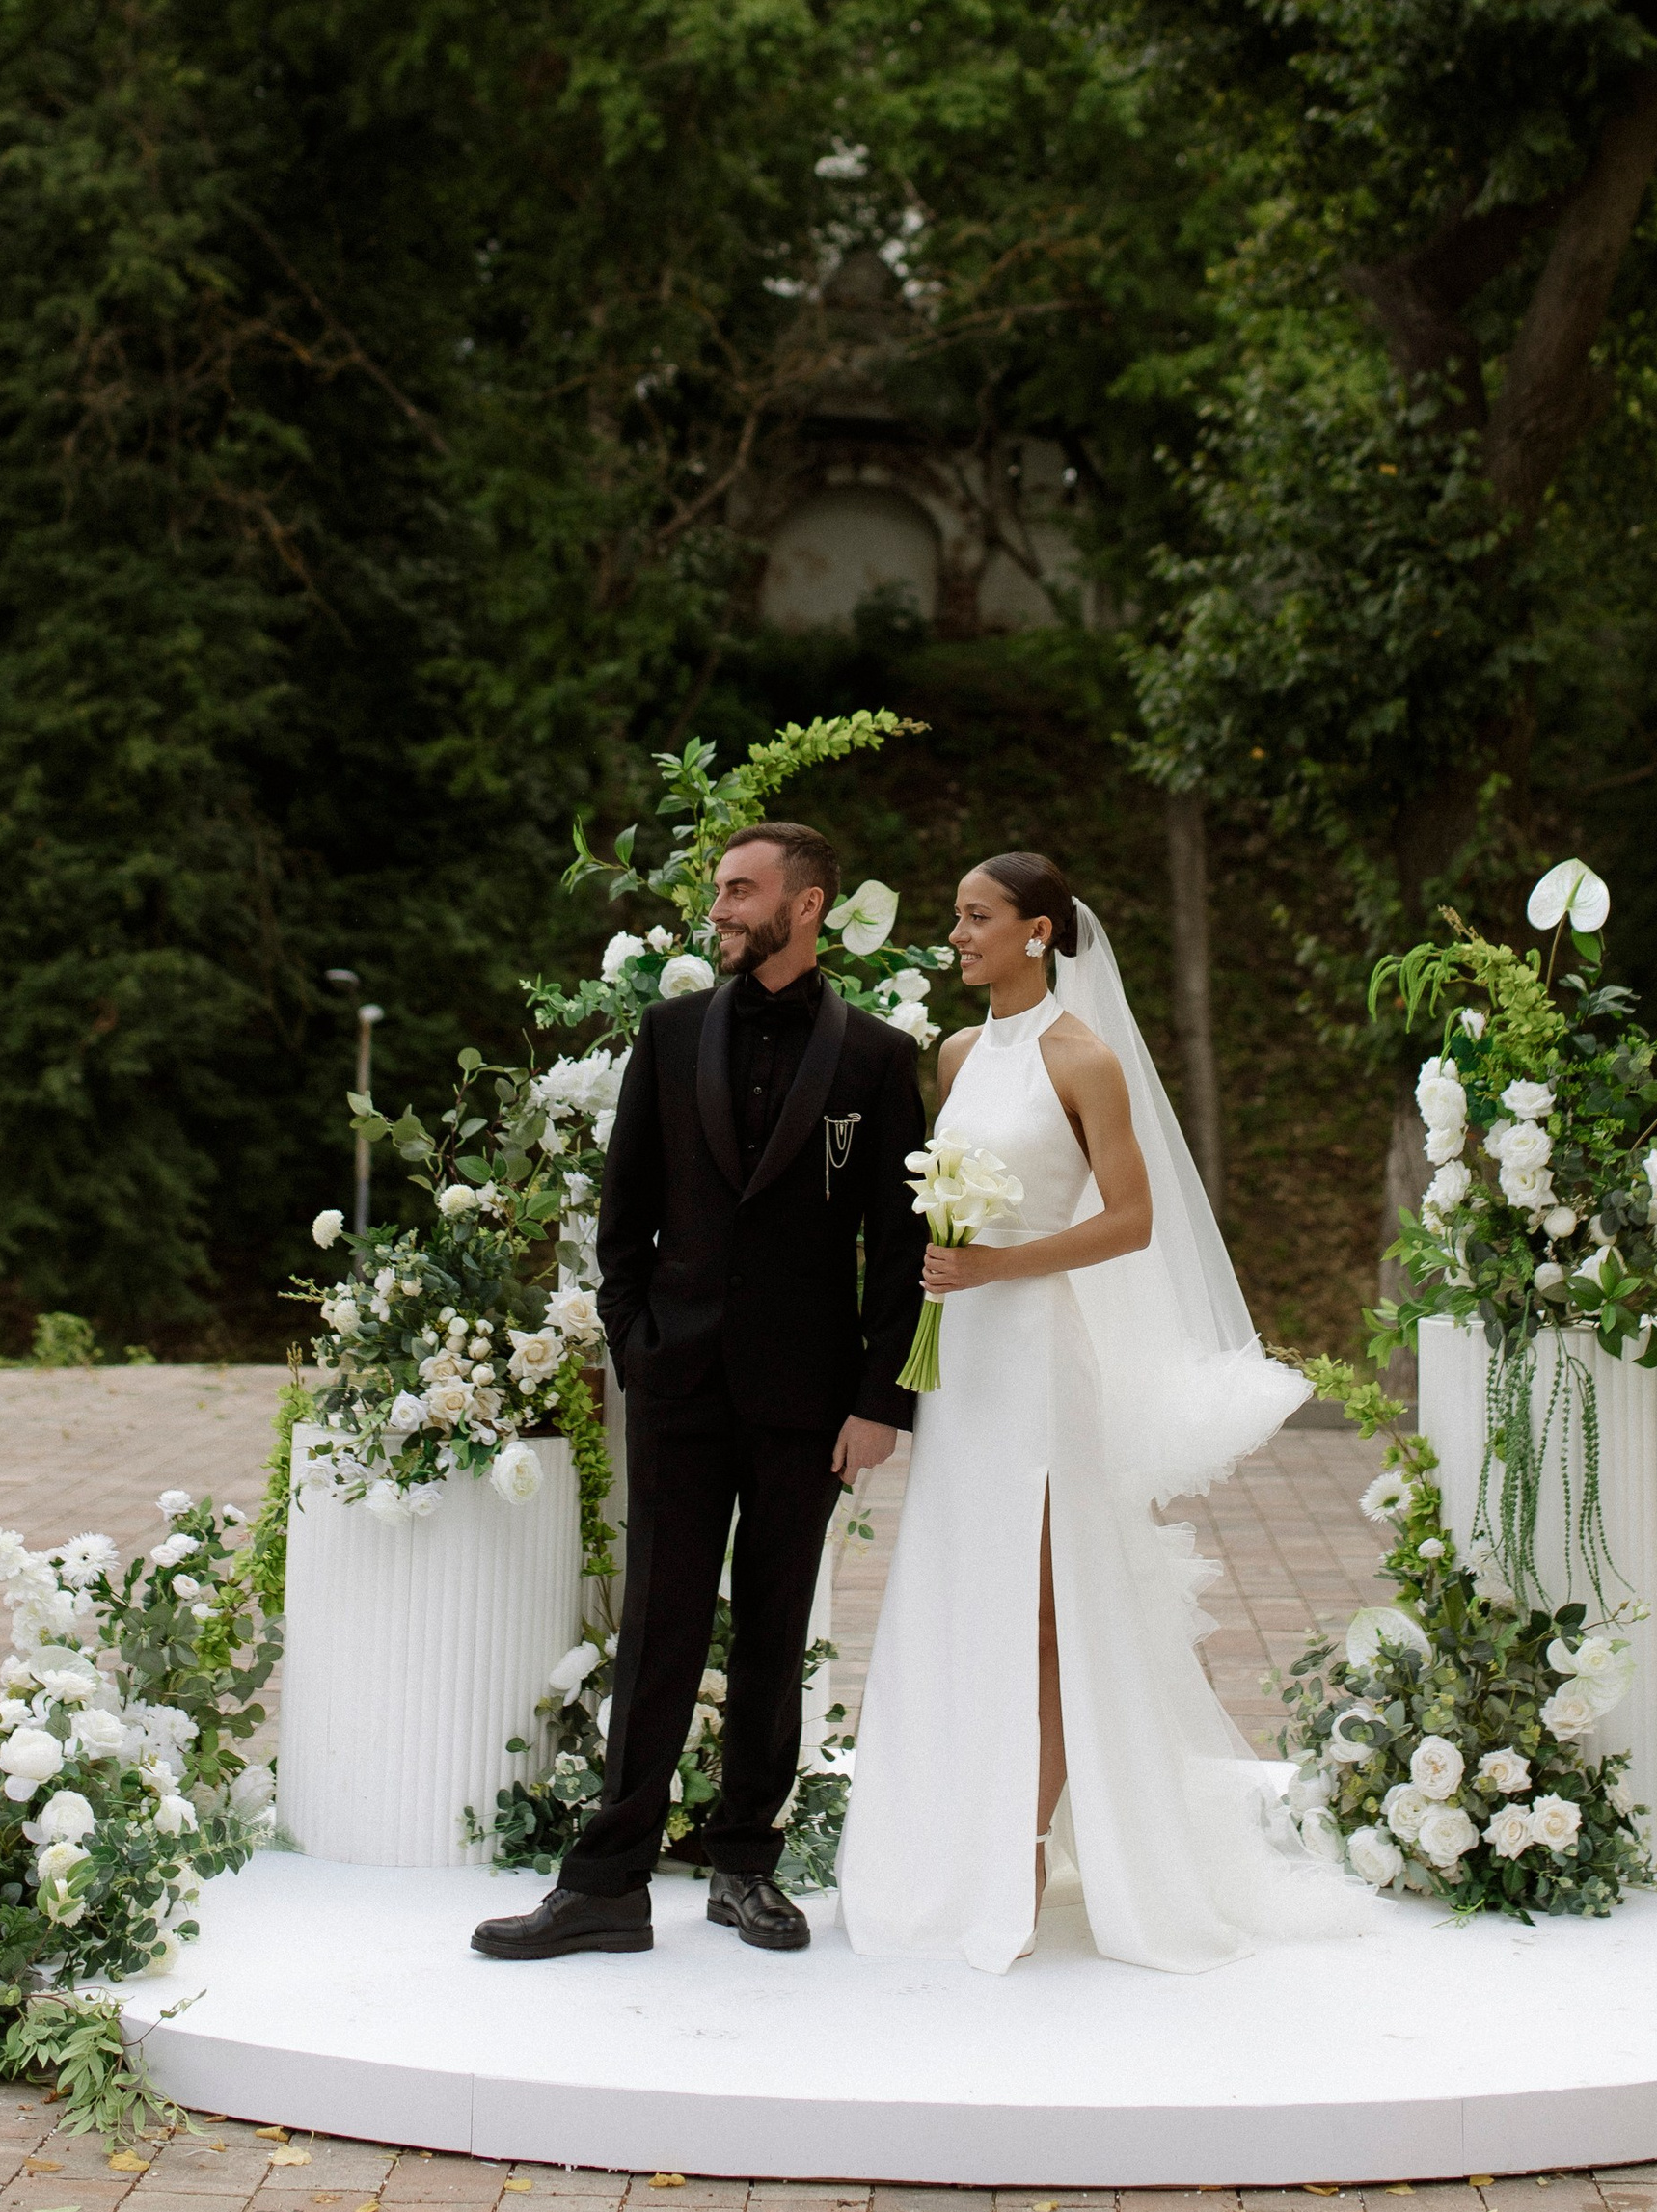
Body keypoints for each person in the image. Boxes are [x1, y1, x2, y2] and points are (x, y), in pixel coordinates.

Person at [835, 852, 1360, 1973]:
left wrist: (1000, 1264)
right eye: (955, 916)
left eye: (975, 917)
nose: (956, 934)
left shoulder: (1085, 1059)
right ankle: (941, 1838)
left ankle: (1023, 1848)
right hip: (960, 1359)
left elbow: (1131, 1220)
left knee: (1043, 1611)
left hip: (1035, 1357)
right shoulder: (958, 1053)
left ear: (1036, 932)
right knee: (952, 1598)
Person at [475, 821, 928, 1961]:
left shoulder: (877, 1059)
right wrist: (636, 1345)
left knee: (775, 1633)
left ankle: (744, 1867)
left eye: (740, 890)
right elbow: (623, 1213)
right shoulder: (669, 1033)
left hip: (808, 1399)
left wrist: (880, 1399)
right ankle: (606, 1885)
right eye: (719, 890)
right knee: (658, 1628)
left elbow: (898, 1242)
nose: (719, 908)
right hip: (678, 1381)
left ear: (805, 905)